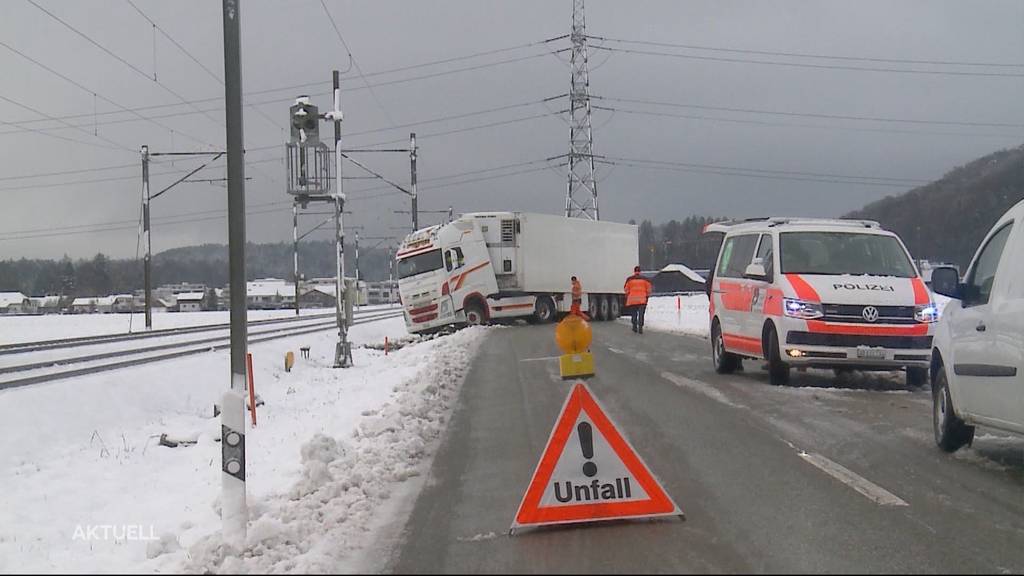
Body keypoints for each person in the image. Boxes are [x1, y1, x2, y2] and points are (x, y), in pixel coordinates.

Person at [624, 266, 652, 334]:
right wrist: (647, 296)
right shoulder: (645, 279)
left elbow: (626, 289)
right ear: (640, 271)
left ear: (634, 271)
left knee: (634, 314)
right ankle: (640, 327)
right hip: (642, 300)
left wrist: (628, 294)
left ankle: (634, 326)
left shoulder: (629, 279)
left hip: (632, 299)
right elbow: (649, 289)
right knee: (641, 314)